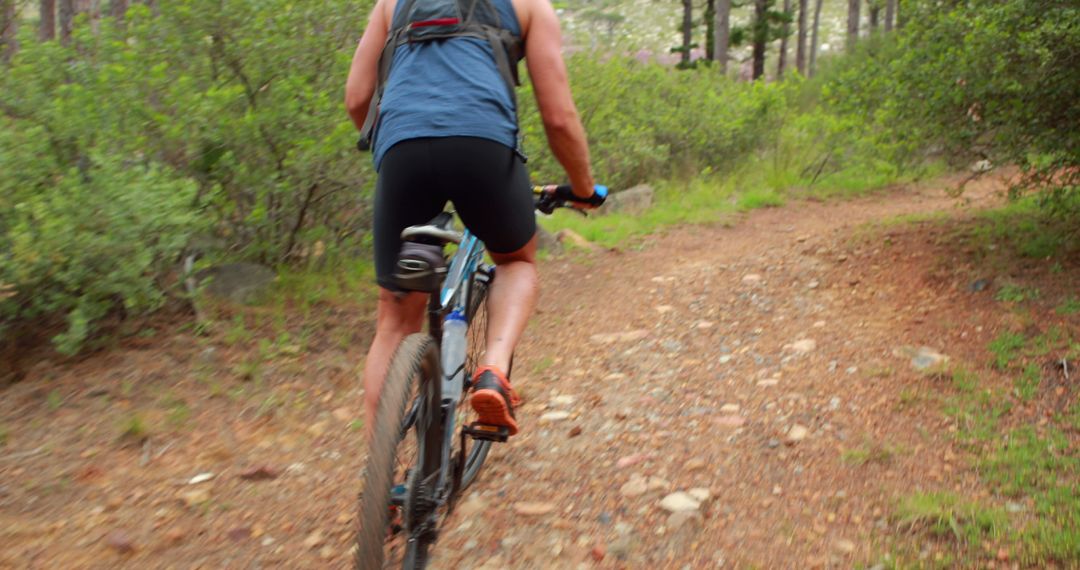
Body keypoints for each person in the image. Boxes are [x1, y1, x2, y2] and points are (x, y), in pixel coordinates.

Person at [345, 0, 598, 438]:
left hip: (401, 146)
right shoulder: (531, 6)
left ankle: (377, 477)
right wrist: (583, 187)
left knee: (395, 312)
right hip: (482, 145)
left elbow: (357, 99)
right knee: (515, 261)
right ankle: (493, 371)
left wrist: (399, 148)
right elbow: (558, 118)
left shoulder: (392, 3)